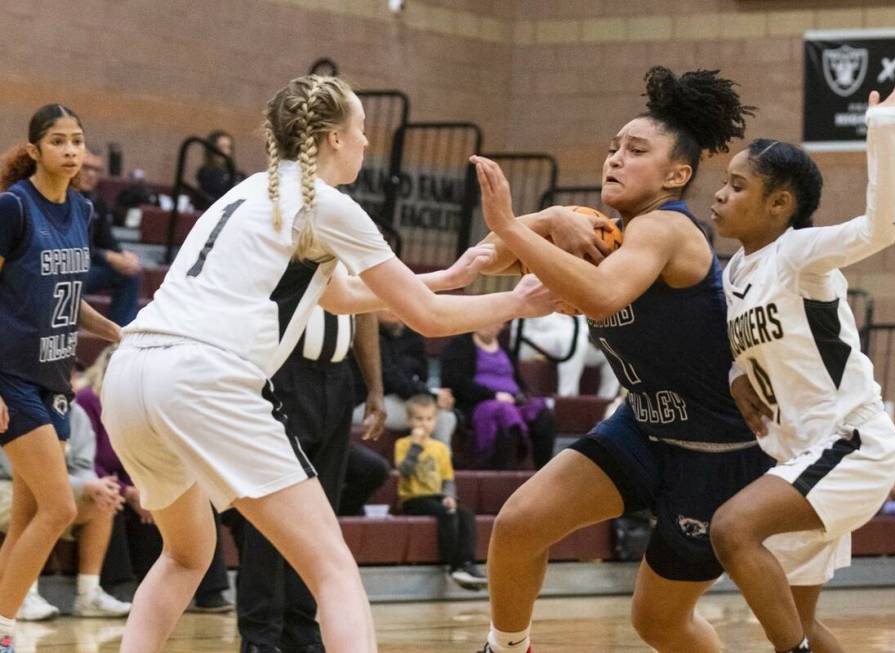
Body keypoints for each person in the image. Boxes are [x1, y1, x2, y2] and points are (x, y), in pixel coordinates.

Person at [98, 74, 555, 653]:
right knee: (333, 570)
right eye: (361, 131)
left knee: (186, 555)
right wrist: (517, 302)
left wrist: (449, 276)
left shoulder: (248, 192)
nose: (366, 144)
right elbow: (426, 319)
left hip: (132, 373)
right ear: (335, 139)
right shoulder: (329, 205)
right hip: (202, 377)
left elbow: (337, 294)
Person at [470, 67, 765, 653]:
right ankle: (507, 648)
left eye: (635, 151)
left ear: (676, 174)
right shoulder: (605, 232)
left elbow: (603, 295)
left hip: (716, 452)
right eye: (611, 148)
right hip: (645, 426)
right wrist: (550, 218)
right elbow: (486, 258)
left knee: (657, 623)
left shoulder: (667, 229)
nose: (615, 159)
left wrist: (510, 220)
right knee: (519, 525)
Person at [707, 70, 895, 653]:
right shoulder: (733, 272)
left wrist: (883, 127)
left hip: (849, 444)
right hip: (798, 455)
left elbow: (882, 228)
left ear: (779, 204)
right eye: (723, 183)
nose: (720, 194)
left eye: (737, 185)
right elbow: (752, 346)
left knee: (732, 529)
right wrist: (735, 374)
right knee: (799, 627)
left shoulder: (799, 254)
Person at [0, 104, 121, 653]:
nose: (71, 151)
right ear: (34, 150)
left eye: (77, 140)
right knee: (60, 509)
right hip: (11, 378)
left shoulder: (83, 210)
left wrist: (118, 332)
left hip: (54, 380)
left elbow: (67, 301)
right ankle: (3, 631)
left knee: (29, 516)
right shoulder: (12, 208)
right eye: (58, 141)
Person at [235, 308, 387, 653]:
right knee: (274, 510)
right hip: (283, 373)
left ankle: (300, 629)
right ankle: (260, 635)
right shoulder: (291, 251)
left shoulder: (364, 255)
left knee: (321, 514)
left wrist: (375, 386)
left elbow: (365, 311)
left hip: (337, 379)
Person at [74, 346, 232, 614]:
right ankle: (119, 588)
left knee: (193, 503)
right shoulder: (89, 400)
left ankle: (209, 592)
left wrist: (146, 489)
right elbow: (91, 461)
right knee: (110, 500)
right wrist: (129, 492)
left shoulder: (152, 401)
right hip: (103, 482)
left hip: (142, 480)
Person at [0, 402, 131, 621]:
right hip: (7, 482)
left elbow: (83, 466)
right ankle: (22, 596)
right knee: (38, 508)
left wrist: (96, 488)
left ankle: (88, 595)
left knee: (101, 505)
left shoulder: (74, 412)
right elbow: (19, 470)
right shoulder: (17, 401)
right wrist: (84, 486)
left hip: (60, 486)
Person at [395, 394, 486, 589]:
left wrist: (449, 497)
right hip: (414, 498)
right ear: (409, 420)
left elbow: (447, 479)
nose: (424, 423)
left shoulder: (441, 449)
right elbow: (404, 470)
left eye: (429, 419)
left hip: (437, 496)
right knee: (446, 514)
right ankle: (453, 566)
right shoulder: (403, 445)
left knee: (465, 513)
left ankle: (468, 563)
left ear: (435, 421)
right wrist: (416, 447)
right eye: (419, 419)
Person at [441, 323, 556, 470]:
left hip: (512, 401)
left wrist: (522, 396)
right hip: (477, 403)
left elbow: (518, 381)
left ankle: (543, 471)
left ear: (501, 326)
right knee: (506, 414)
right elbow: (456, 382)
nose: (489, 325)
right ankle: (502, 474)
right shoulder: (459, 346)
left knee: (542, 413)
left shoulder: (505, 349)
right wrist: (493, 395)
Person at [351, 309, 458, 445]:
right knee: (440, 417)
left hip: (399, 397)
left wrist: (429, 394)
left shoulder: (410, 334)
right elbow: (392, 379)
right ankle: (434, 465)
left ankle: (436, 463)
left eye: (393, 303)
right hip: (365, 404)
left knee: (447, 416)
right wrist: (433, 396)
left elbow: (421, 373)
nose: (390, 309)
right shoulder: (367, 335)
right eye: (383, 304)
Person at [78, 150, 142, 326]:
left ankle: (119, 336)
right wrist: (107, 257)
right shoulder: (62, 198)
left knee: (129, 273)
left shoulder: (96, 201)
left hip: (88, 266)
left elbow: (106, 239)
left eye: (96, 170)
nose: (91, 174)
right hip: (65, 268)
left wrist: (123, 255)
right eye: (86, 167)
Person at [513, 314, 619, 398]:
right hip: (531, 338)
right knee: (575, 341)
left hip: (565, 338)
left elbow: (580, 320)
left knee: (612, 350)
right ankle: (567, 398)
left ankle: (607, 402)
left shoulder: (577, 291)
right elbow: (546, 323)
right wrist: (588, 333)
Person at [196, 130, 244, 206]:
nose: (227, 152)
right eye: (222, 147)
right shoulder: (205, 174)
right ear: (212, 149)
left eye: (229, 148)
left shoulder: (238, 174)